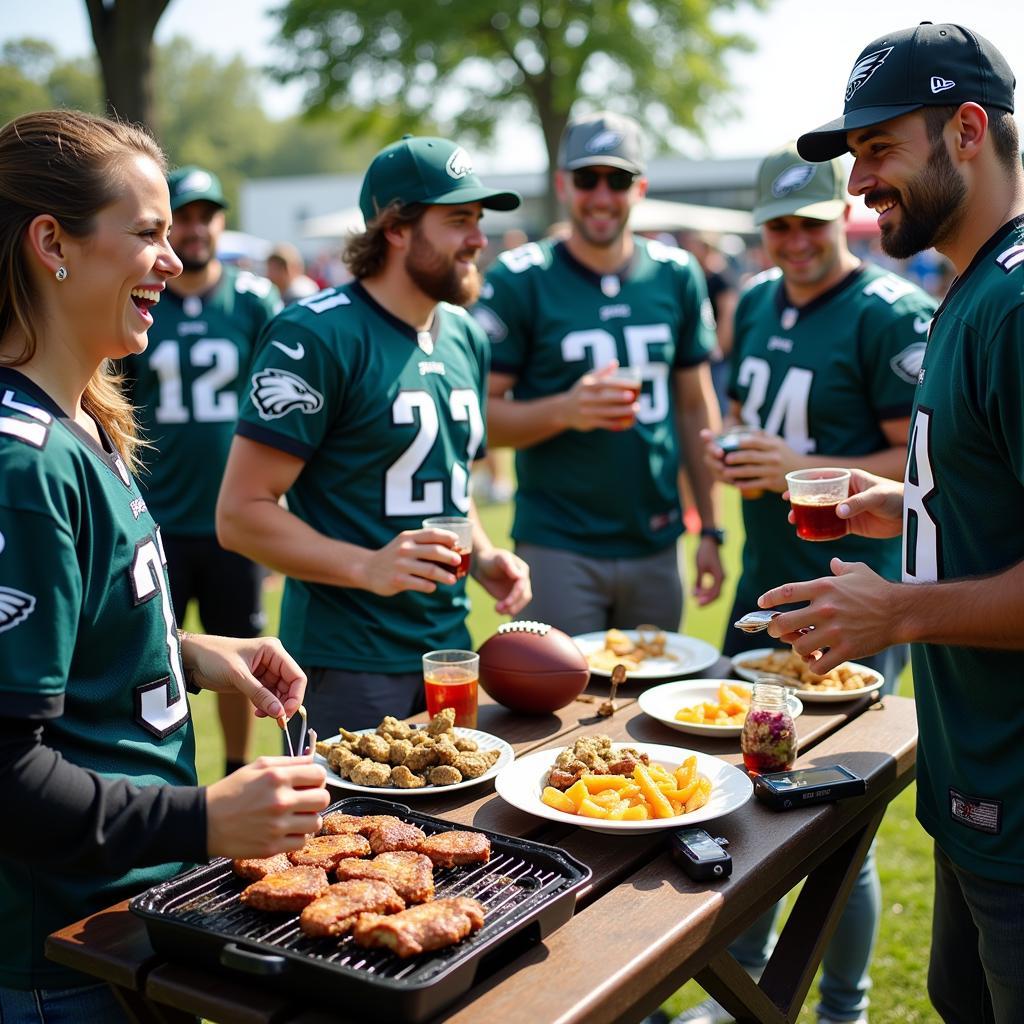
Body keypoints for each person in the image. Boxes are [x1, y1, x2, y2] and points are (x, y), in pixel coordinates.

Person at [0, 110, 329, 1023]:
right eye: (146, 232)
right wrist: (203, 819)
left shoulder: (83, 420)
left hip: (127, 919)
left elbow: (70, 637)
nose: (173, 258)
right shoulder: (21, 461)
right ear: (51, 243)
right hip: (61, 960)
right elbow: (8, 774)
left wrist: (183, 652)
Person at [755, 23, 1024, 1024]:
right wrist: (907, 506)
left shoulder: (1015, 299)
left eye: (877, 149)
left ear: (964, 128)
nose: (858, 183)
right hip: (977, 781)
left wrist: (899, 611)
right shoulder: (971, 284)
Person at [680, 143, 936, 1024]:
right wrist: (738, 458)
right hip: (764, 584)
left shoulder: (889, 311)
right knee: (744, 800)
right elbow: (750, 418)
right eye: (777, 226)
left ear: (843, 218)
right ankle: (748, 982)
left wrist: (797, 463)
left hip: (853, 599)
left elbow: (921, 462)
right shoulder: (752, 302)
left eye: (808, 223)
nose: (791, 242)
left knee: (834, 826)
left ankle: (842, 1009)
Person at [216, 136, 531, 736]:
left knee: (455, 827)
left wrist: (485, 555)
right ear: (396, 228)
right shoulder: (314, 334)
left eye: (479, 221)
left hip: (448, 650)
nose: (478, 239)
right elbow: (241, 515)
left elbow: (449, 483)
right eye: (458, 219)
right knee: (353, 832)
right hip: (347, 658)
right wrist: (367, 566)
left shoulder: (465, 335)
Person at [472, 111, 724, 635]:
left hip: (656, 540)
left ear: (641, 188)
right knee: (554, 703)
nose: (603, 196)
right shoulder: (523, 278)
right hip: (558, 542)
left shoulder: (677, 274)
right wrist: (565, 410)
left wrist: (712, 529)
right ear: (564, 184)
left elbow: (695, 405)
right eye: (587, 179)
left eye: (619, 180)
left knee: (652, 705)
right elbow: (479, 421)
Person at [121, 165, 282, 778]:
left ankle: (238, 769)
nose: (195, 228)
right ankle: (159, 776)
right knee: (153, 655)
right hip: (157, 511)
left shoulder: (251, 301)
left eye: (205, 215)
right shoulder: (139, 297)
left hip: (230, 517)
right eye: (182, 216)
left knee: (240, 649)